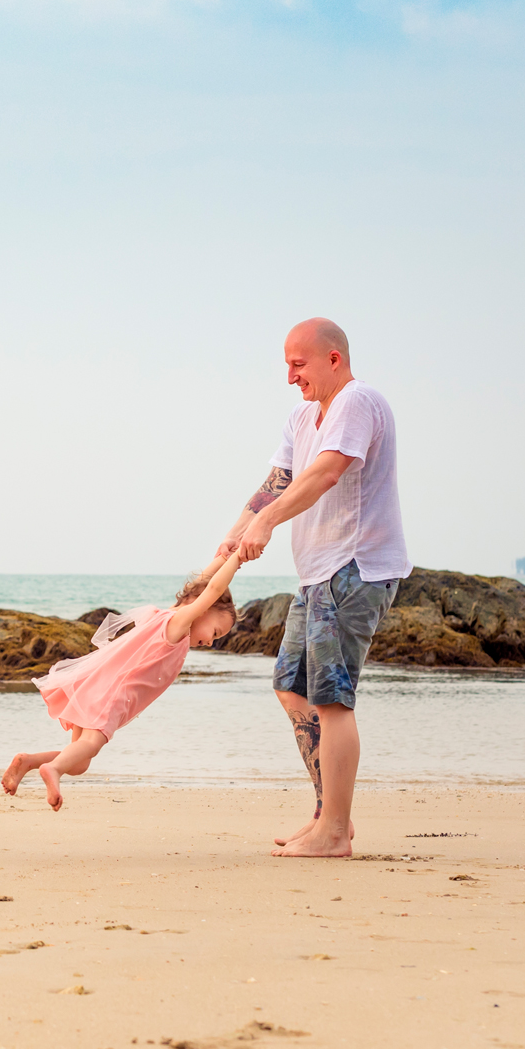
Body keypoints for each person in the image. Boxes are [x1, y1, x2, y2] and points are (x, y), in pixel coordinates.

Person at [218, 318, 408, 859]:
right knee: (291, 687)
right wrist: (234, 534)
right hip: (316, 575)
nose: (290, 377)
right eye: (287, 365)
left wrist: (266, 524)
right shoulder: (303, 416)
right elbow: (277, 481)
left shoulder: (358, 402)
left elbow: (326, 473)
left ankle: (335, 833)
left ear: (333, 359)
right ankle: (329, 815)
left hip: (354, 568)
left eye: (298, 364)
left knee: (331, 699)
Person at [2, 551, 245, 810]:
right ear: (203, 607)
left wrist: (223, 555)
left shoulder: (163, 615)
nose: (210, 642)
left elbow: (204, 583)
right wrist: (238, 558)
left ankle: (29, 761)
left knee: (80, 762)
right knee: (91, 744)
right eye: (215, 632)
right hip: (114, 693)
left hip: (97, 685)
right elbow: (213, 588)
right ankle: (53, 769)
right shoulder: (178, 625)